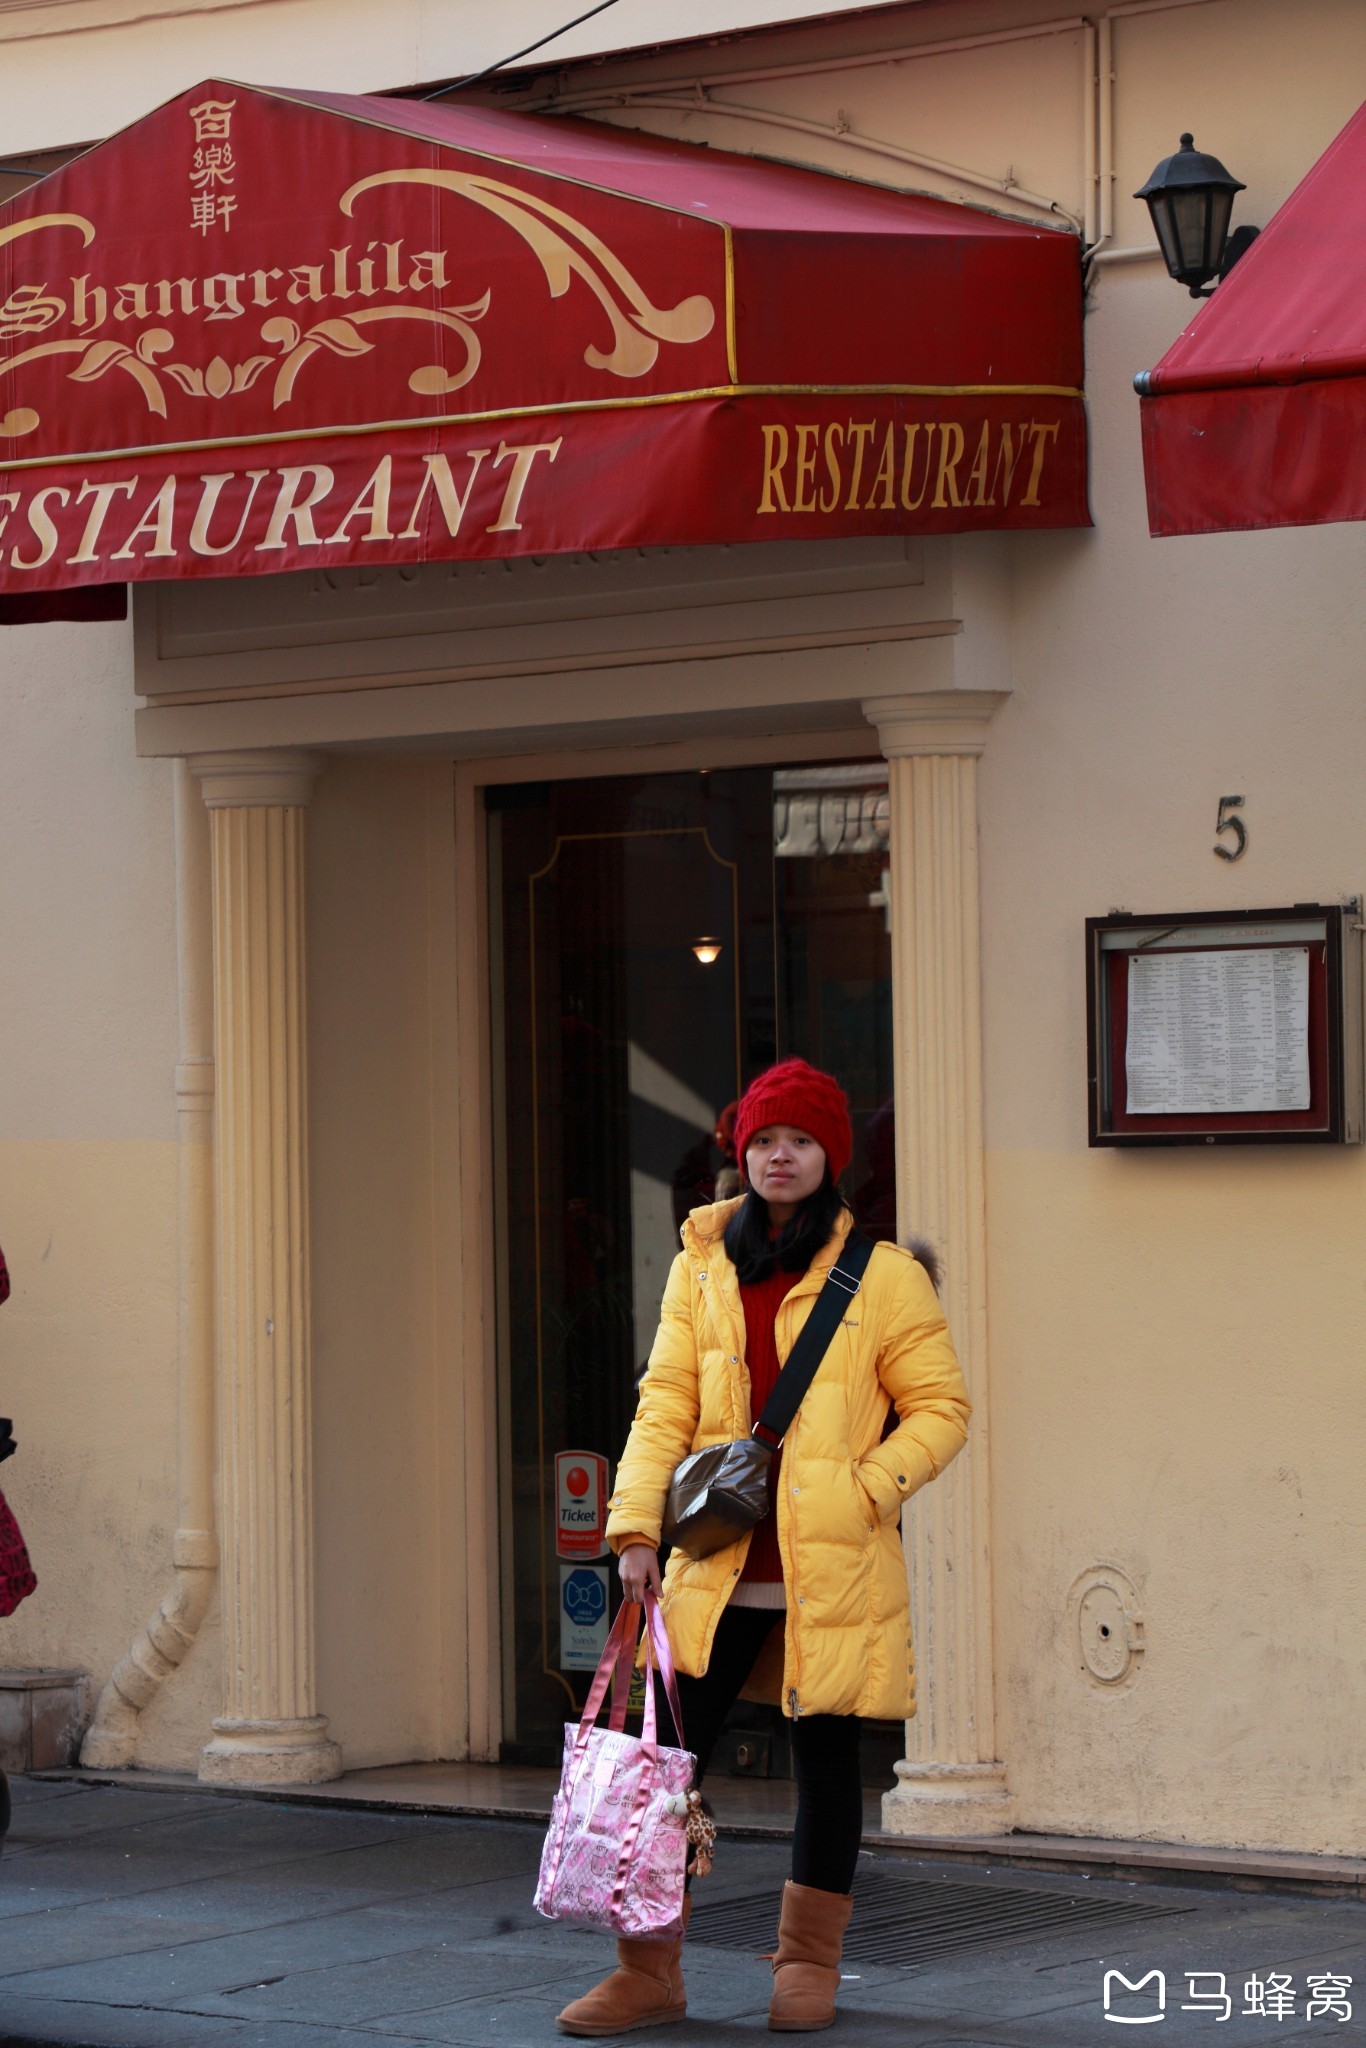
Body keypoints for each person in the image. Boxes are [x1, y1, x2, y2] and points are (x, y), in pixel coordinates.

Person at [555, 1058, 970, 2037]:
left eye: (800, 1140)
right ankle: (650, 1965)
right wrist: (633, 1527)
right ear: (740, 1154)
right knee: (668, 1771)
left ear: (831, 1155)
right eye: (764, 1140)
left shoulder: (883, 1274)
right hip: (715, 1563)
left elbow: (940, 1408)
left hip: (830, 1566)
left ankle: (807, 1959)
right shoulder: (699, 1265)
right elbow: (665, 1402)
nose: (779, 1155)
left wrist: (868, 1486)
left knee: (825, 1770)